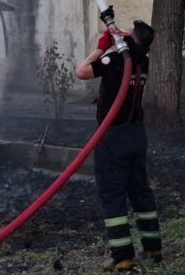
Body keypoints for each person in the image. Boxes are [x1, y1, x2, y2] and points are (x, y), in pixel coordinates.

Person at [76, 19, 161, 272]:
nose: (124, 33)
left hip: (113, 137)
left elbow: (82, 71)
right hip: (137, 134)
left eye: (128, 32)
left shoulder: (114, 60)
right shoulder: (142, 61)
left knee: (112, 195)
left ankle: (123, 258)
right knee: (140, 191)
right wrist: (121, 39)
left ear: (132, 40)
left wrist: (102, 47)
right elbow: (131, 50)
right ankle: (153, 248)